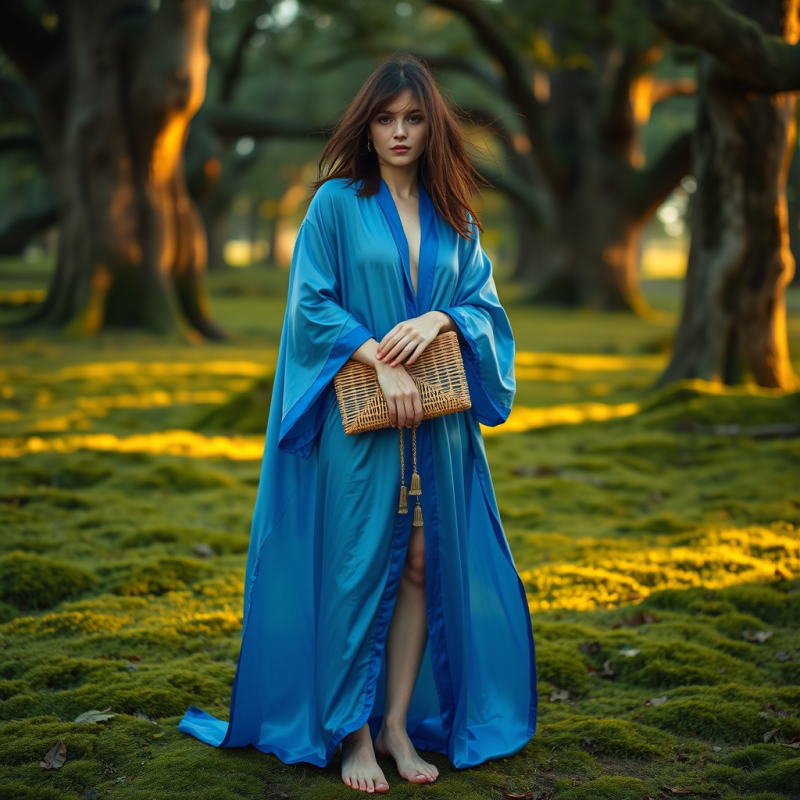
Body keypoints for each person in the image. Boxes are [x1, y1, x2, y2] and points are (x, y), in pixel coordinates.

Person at [178, 52, 537, 794]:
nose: (399, 133)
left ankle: (399, 723)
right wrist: (379, 355)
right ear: (365, 127)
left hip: (436, 427)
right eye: (385, 119)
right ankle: (351, 732)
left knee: (419, 563)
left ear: (433, 126)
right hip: (362, 417)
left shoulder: (456, 215)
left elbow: (484, 307)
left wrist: (441, 315)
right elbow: (311, 302)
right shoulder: (336, 204)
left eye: (412, 119)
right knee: (355, 568)